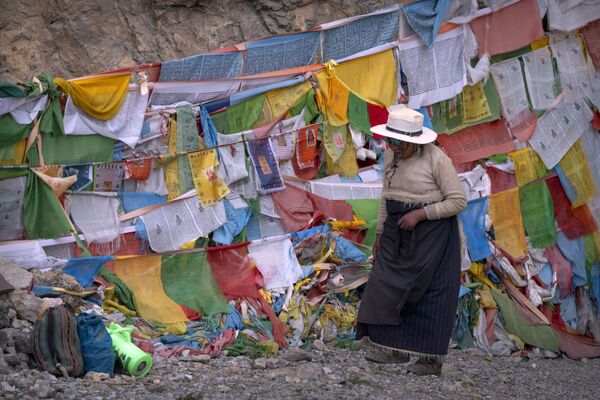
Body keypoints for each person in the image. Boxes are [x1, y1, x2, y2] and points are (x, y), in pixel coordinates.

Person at [356, 106, 467, 376]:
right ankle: (392, 349)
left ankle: (430, 360)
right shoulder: (392, 155)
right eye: (389, 141)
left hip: (433, 236)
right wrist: (380, 233)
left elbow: (458, 200)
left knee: (430, 294)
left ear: (413, 141)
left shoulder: (437, 159)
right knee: (384, 285)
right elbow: (387, 194)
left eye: (397, 142)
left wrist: (421, 214)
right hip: (397, 231)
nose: (391, 146)